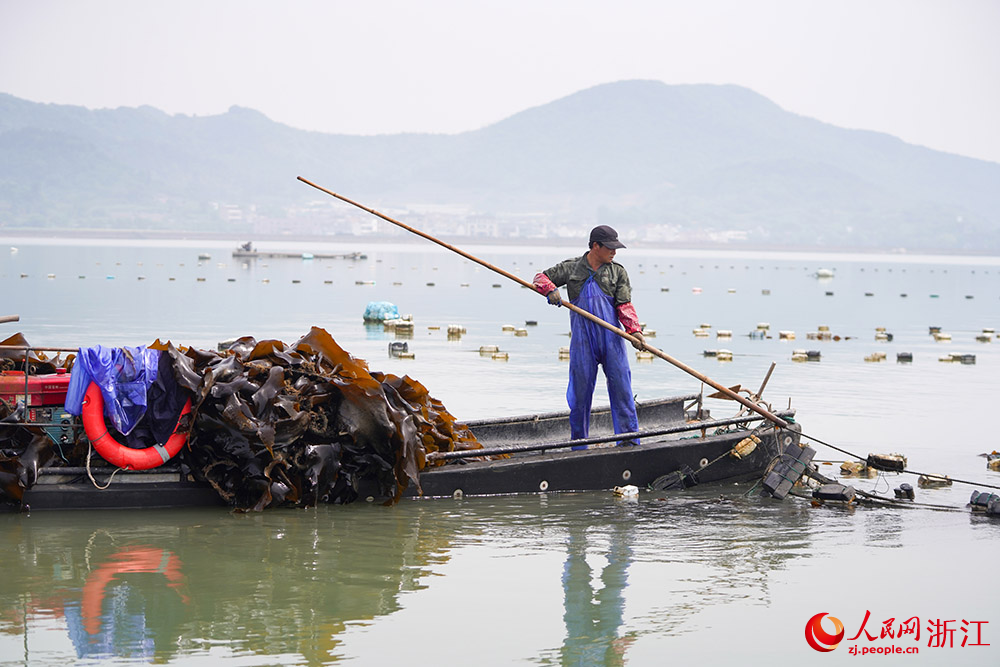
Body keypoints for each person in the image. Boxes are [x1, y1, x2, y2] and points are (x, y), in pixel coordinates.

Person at [533, 225, 644, 448]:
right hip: (583, 341)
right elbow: (540, 278)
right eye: (610, 247)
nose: (614, 252)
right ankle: (579, 444)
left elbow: (624, 305)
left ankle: (628, 442)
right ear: (595, 246)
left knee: (622, 390)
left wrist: (634, 331)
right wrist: (551, 290)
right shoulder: (572, 268)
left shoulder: (617, 272)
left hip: (611, 340)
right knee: (580, 395)